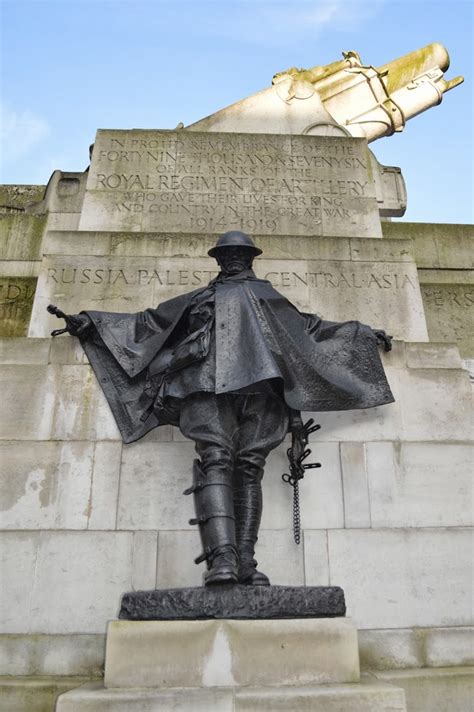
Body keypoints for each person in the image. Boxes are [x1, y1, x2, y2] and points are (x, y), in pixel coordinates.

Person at [48, 231, 393, 587]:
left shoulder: (268, 297)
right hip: (205, 386)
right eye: (227, 255)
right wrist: (91, 322)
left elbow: (309, 328)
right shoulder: (199, 298)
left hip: (262, 390)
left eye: (239, 254)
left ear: (250, 258)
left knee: (250, 466)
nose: (233, 260)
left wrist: (361, 334)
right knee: (215, 458)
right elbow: (148, 324)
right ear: (218, 259)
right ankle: (222, 560)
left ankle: (246, 561)